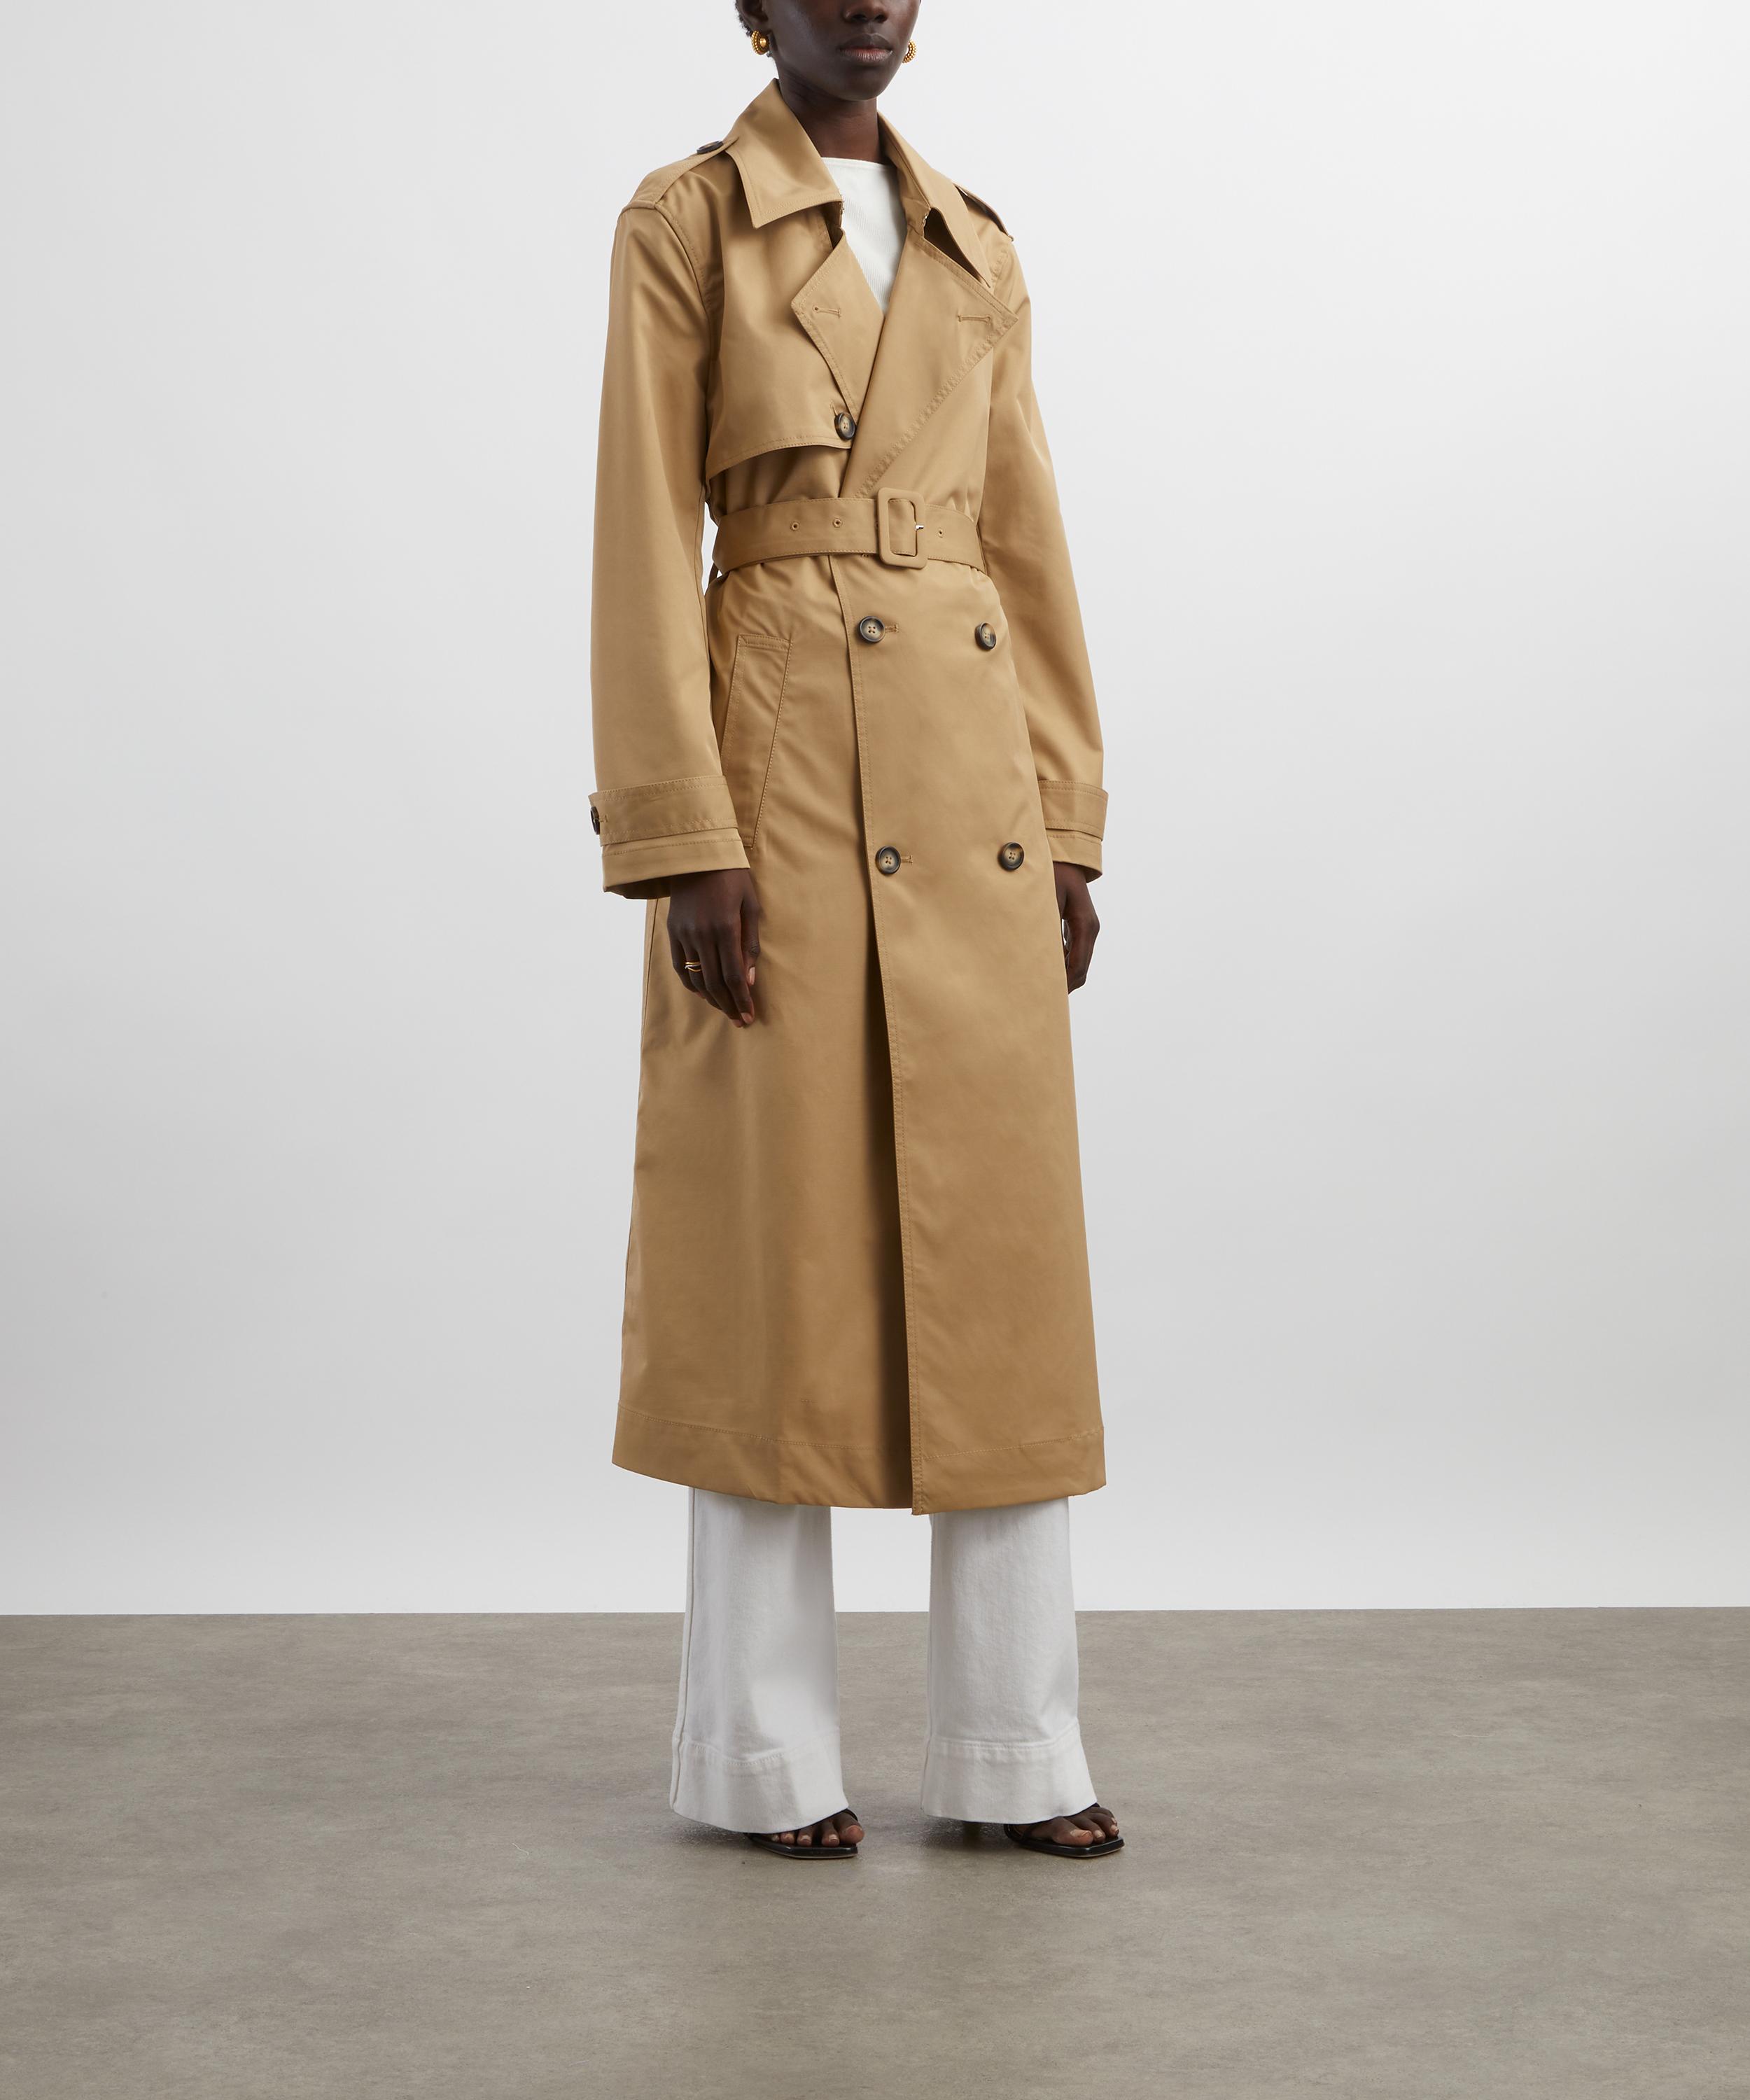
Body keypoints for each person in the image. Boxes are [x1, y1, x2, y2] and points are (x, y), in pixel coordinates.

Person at [587, 0, 1119, 1861]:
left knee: (1006, 1272)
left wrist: (1065, 817)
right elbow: (641, 536)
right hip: (781, 765)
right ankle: (758, 1757)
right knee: (777, 1259)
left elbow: (1024, 540)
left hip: (970, 779)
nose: (870, 2)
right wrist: (682, 835)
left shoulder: (976, 241)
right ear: (754, 9)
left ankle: (1015, 1751)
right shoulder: (686, 220)